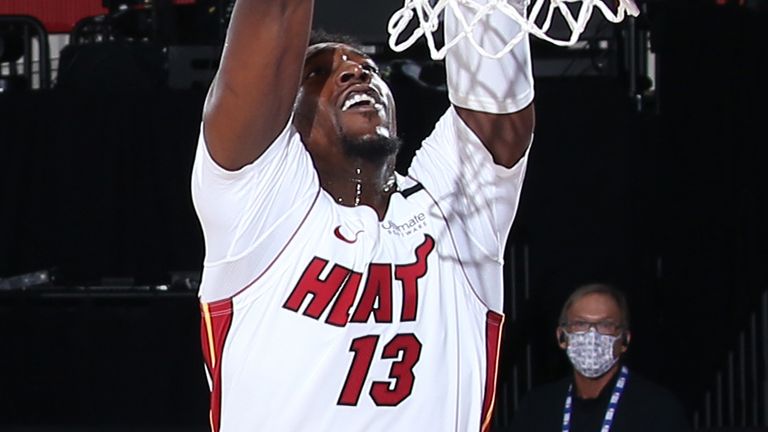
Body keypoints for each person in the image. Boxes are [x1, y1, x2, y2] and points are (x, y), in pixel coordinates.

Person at [191, 0, 535, 430]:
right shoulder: (257, 206)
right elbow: (274, 14)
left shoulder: (450, 209)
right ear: (284, 112)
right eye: (318, 73)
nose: (355, 72)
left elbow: (498, 109)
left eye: (368, 68)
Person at [508, 284, 690, 432]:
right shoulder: (537, 409)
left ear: (625, 339)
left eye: (605, 325)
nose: (592, 335)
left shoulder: (658, 410)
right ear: (561, 337)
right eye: (580, 324)